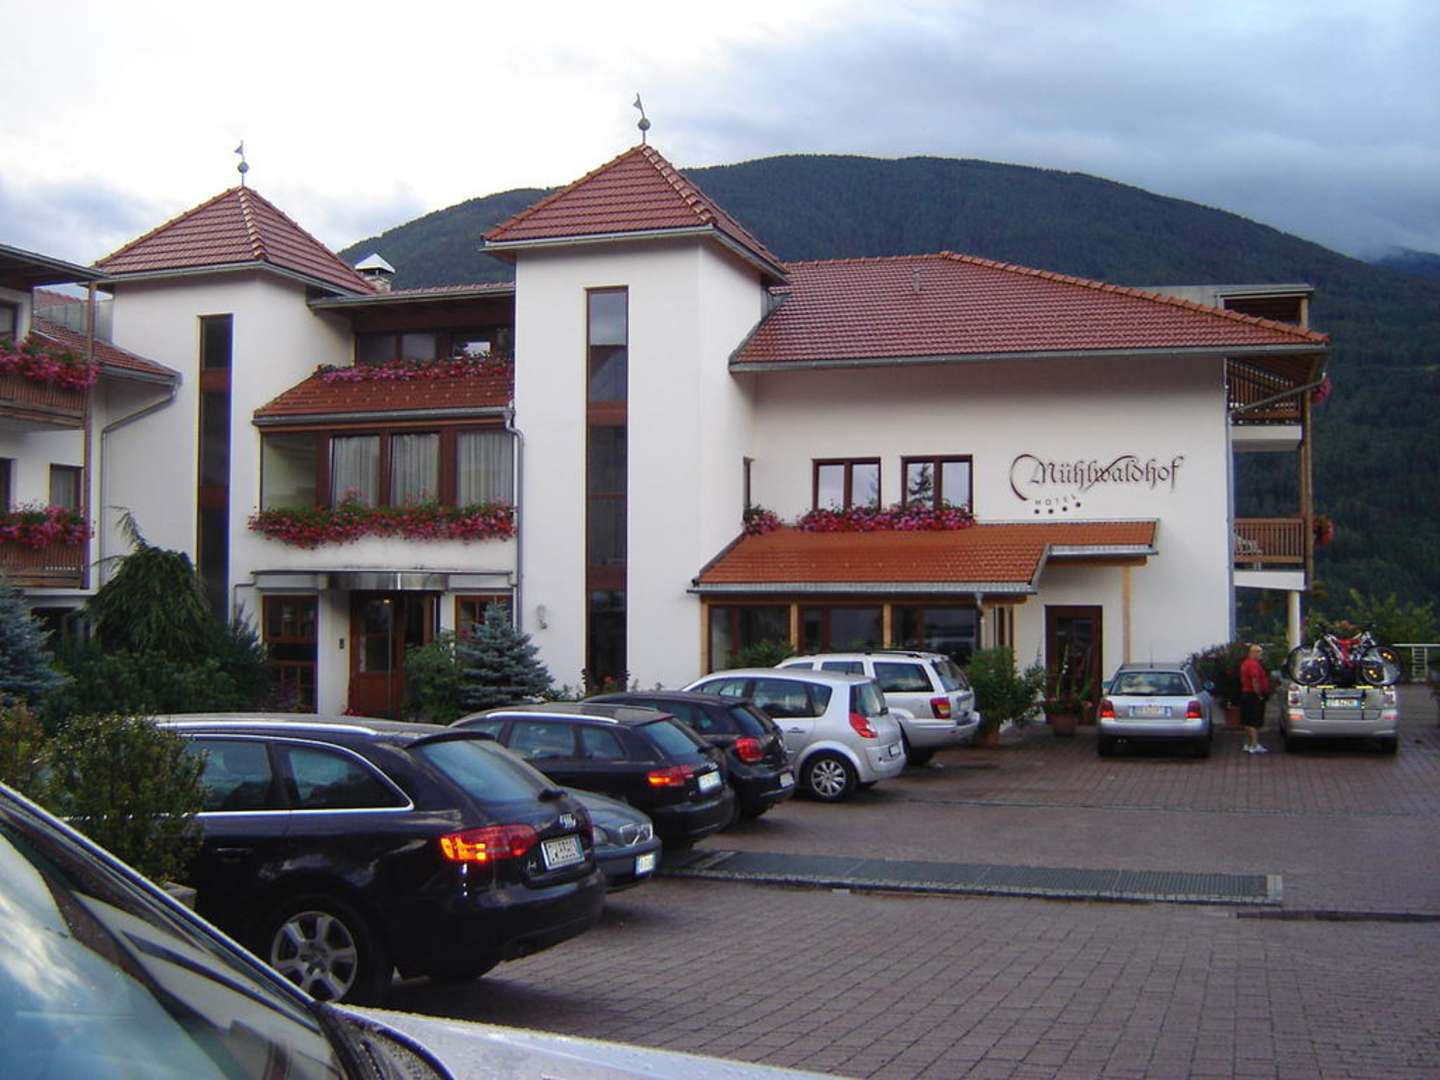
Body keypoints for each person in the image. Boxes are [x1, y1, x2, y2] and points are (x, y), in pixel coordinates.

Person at [1239, 643, 1271, 753]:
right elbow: (1255, 680)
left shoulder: (1246, 663)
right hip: (1252, 695)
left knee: (1247, 720)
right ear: (1253, 652)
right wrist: (1259, 695)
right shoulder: (1253, 665)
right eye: (1259, 652)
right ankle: (1254, 745)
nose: (1261, 654)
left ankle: (1249, 744)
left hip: (1246, 694)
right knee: (1254, 721)